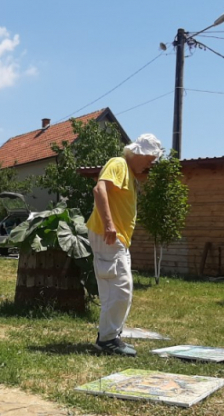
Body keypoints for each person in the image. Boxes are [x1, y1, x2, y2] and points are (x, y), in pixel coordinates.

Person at [86, 134, 163, 356]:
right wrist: (109, 225)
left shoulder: (129, 172)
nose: (151, 163)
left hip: (116, 239)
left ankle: (111, 336)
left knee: (122, 288)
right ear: (138, 153)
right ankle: (107, 340)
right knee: (118, 289)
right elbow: (99, 190)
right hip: (108, 235)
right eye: (150, 159)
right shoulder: (118, 163)